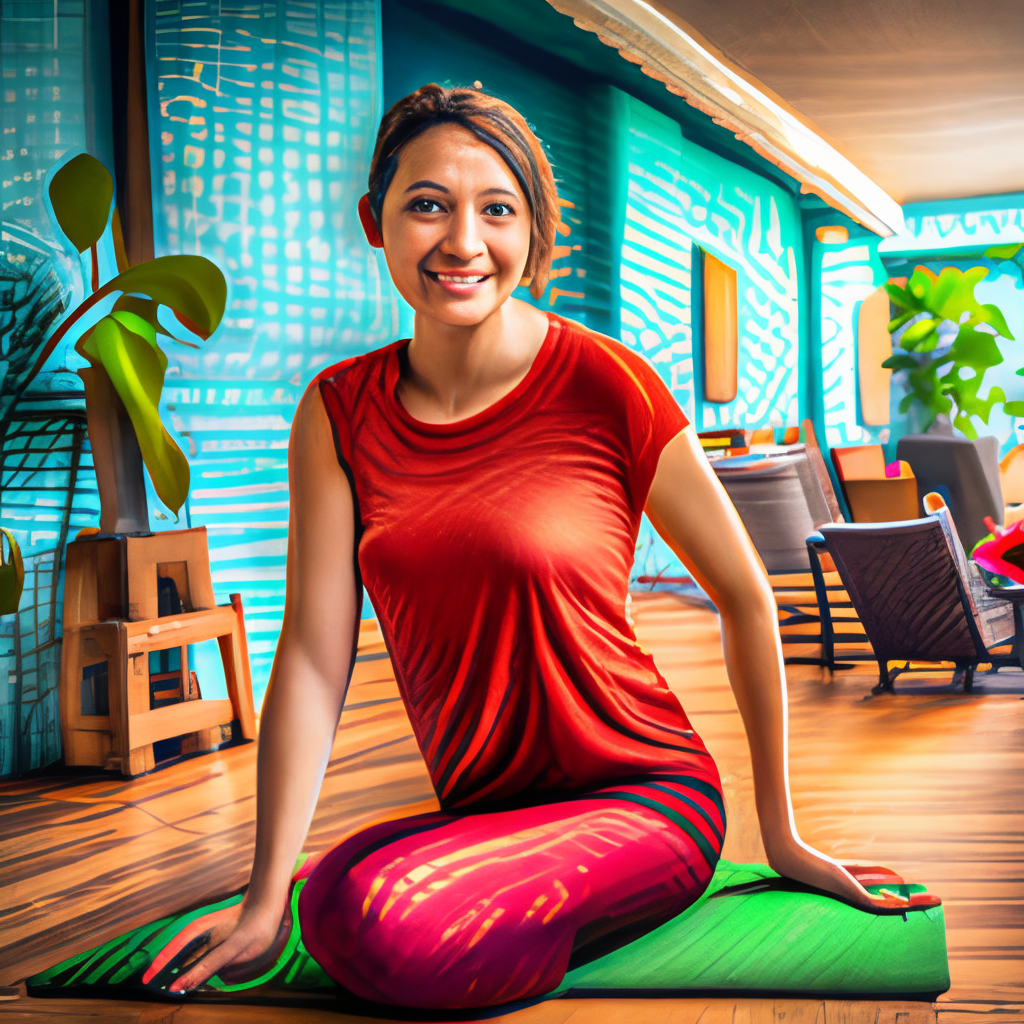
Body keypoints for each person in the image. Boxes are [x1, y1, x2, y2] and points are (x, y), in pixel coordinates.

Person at [165, 83, 918, 1008]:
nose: (462, 242)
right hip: (489, 813)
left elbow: (745, 594)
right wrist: (261, 892)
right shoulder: (338, 411)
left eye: (497, 210)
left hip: (647, 795)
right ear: (376, 220)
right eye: (427, 205)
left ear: (535, 232)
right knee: (323, 902)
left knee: (375, 923)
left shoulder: (610, 384)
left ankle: (509, 942)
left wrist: (783, 834)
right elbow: (316, 656)